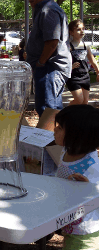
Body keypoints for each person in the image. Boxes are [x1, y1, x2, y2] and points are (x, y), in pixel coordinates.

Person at [53, 105, 99, 250]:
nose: (54, 129)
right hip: (70, 221)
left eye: (60, 128)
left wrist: (90, 190)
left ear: (76, 135)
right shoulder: (66, 151)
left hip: (85, 230)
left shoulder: (91, 167)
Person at [26, 0, 72, 116]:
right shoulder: (44, 10)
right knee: (52, 110)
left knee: (48, 111)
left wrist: (40, 62)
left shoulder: (48, 11)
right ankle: (55, 137)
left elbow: (52, 42)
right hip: (48, 68)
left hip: (49, 68)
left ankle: (52, 137)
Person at [66, 20, 99, 105]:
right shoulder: (69, 47)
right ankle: (64, 112)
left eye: (83, 29)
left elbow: (92, 60)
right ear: (71, 32)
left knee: (85, 102)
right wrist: (71, 66)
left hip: (85, 76)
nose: (82, 31)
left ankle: (77, 117)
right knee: (79, 100)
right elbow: (64, 62)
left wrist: (98, 71)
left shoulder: (86, 46)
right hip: (74, 77)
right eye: (78, 29)